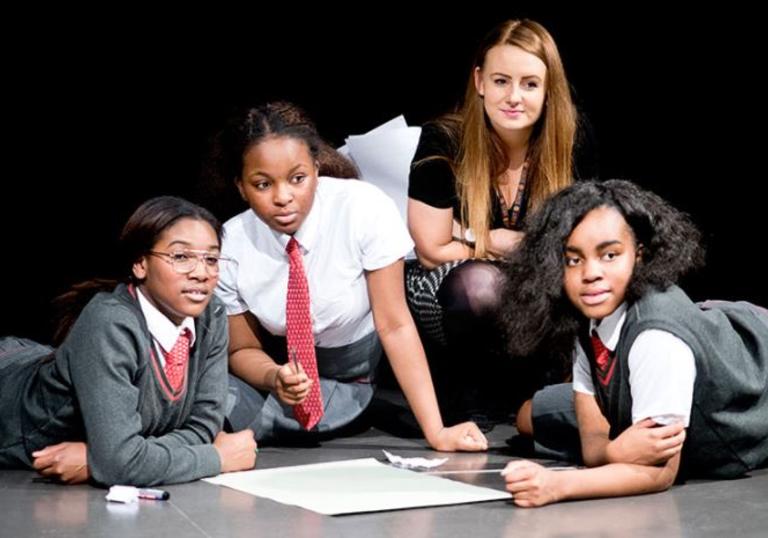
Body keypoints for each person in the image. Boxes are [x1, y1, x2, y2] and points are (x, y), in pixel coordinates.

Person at [210, 102, 487, 451]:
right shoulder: (230, 244)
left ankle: (363, 403)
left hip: (358, 367)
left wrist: (437, 433)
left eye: (298, 179)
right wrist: (273, 375)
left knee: (229, 417)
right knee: (208, 397)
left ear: (316, 168)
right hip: (284, 370)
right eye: (263, 184)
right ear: (240, 186)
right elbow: (243, 348)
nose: (283, 197)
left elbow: (395, 324)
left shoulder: (361, 208)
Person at [498, 180, 768, 507]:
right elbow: (593, 445)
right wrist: (614, 451)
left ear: (639, 255)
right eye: (574, 260)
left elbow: (659, 474)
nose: (591, 273)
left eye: (609, 255)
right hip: (652, 369)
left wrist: (557, 484)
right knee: (529, 416)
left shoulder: (658, 340)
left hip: (753, 372)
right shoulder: (588, 314)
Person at [0, 196, 257, 486]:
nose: (201, 273)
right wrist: (217, 459)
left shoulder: (212, 313)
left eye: (211, 259)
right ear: (140, 264)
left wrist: (101, 458)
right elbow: (120, 465)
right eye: (181, 257)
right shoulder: (110, 322)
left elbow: (202, 427)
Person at [405, 18, 580, 421]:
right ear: (480, 81)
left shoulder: (570, 141)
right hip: (449, 285)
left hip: (538, 281)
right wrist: (501, 240)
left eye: (530, 84)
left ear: (549, 89)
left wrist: (466, 234)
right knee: (478, 283)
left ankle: (544, 395)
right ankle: (470, 399)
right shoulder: (443, 140)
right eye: (502, 81)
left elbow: (572, 242)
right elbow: (432, 250)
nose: (514, 97)